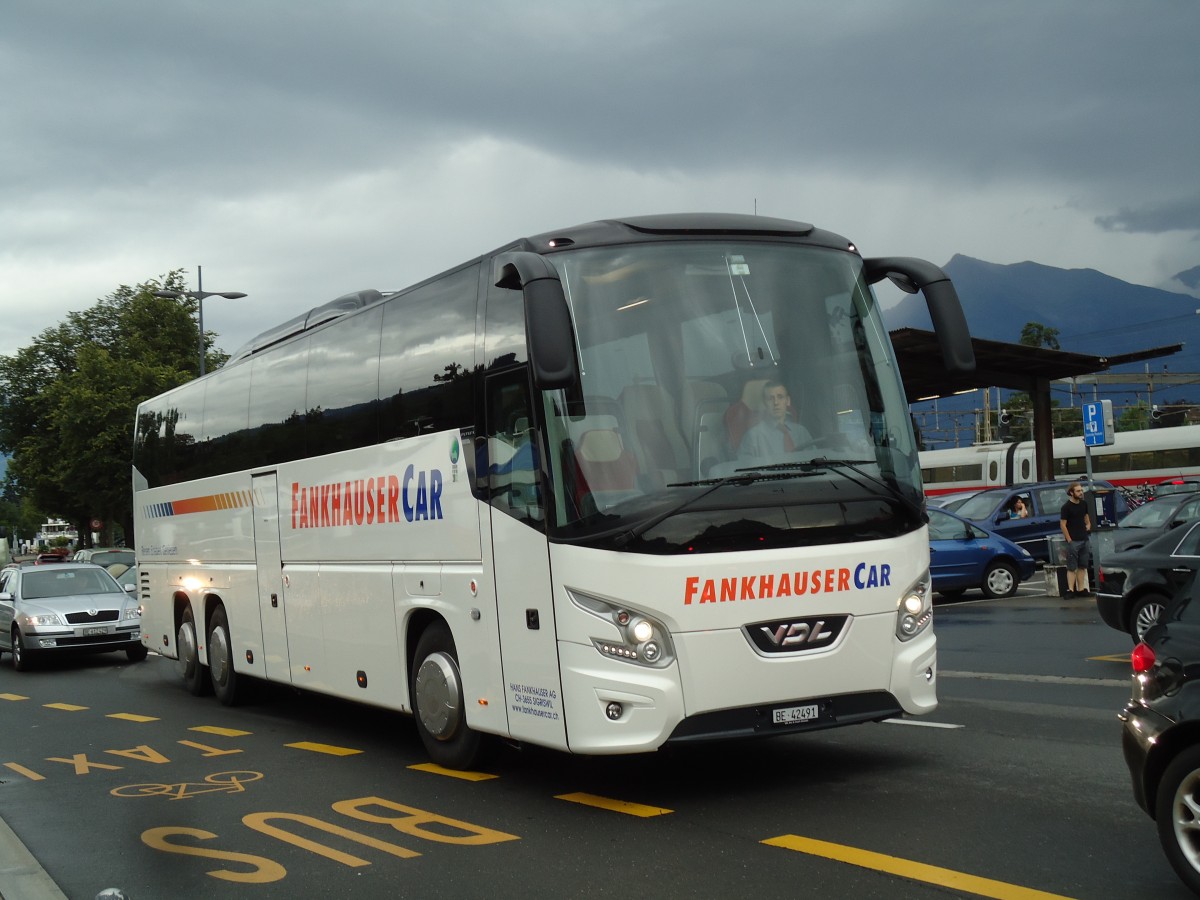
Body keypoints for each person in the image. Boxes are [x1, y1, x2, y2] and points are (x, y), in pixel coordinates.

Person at [738, 380, 813, 462]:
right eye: (770, 399)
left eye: (780, 397)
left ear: (787, 401)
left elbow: (815, 461)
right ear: (764, 403)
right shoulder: (753, 436)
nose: (776, 402)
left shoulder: (801, 432)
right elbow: (745, 468)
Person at [1059, 483, 1092, 596]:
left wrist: (1088, 525)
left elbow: (1086, 516)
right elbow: (1063, 525)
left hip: (1084, 539)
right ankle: (1070, 590)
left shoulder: (1084, 504)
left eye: (1081, 490)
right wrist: (1069, 540)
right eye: (1078, 491)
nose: (1081, 493)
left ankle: (1081, 589)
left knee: (1082, 565)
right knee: (1072, 566)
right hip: (1073, 540)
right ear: (1071, 493)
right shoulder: (1066, 507)